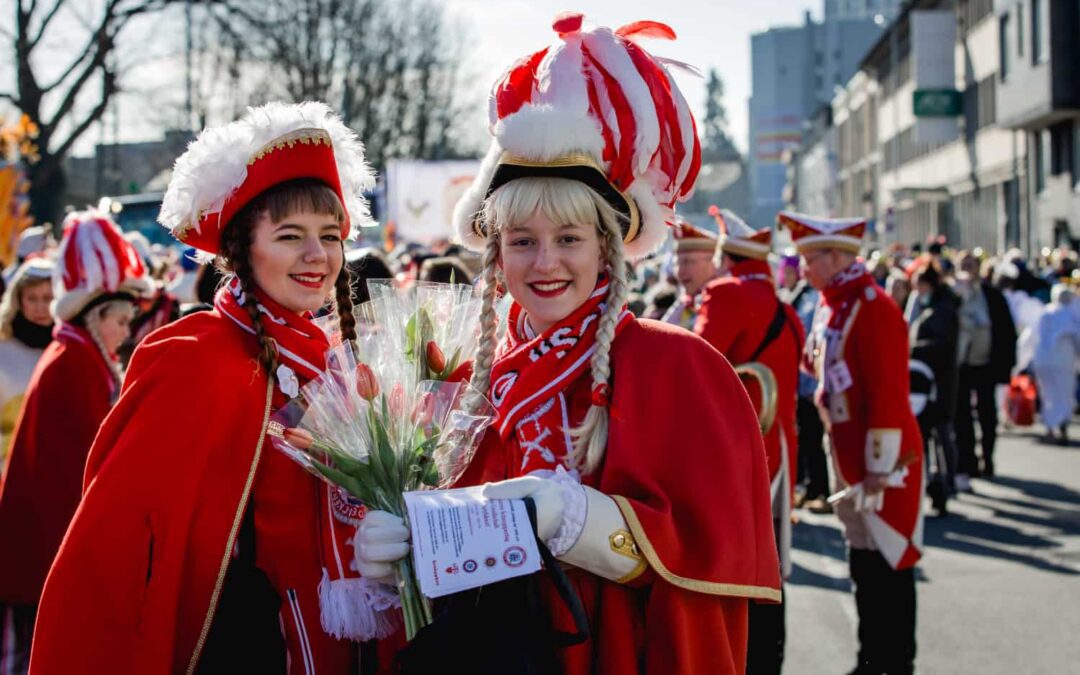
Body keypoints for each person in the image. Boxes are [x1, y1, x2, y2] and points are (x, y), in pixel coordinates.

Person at [356, 13, 781, 673]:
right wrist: (402, 548)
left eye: (569, 238)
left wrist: (575, 516)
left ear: (608, 248)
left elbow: (708, 556)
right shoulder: (467, 374)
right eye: (522, 240)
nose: (545, 261)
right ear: (495, 252)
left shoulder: (680, 366)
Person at [30, 102, 381, 673]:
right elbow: (118, 546)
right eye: (290, 236)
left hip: (341, 641)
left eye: (329, 235)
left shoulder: (335, 360)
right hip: (254, 647)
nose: (317, 255)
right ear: (243, 250)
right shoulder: (194, 357)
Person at [0, 213, 149, 674]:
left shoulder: (77, 352)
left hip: (40, 539)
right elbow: (94, 460)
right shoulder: (74, 362)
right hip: (42, 545)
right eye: (120, 321)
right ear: (95, 314)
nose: (126, 332)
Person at [781, 211, 924, 675]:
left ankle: (896, 661)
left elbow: (887, 393)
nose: (802, 269)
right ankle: (871, 658)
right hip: (846, 452)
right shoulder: (834, 304)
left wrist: (879, 467)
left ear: (837, 257)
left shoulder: (873, 306)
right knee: (863, 562)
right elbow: (816, 366)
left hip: (882, 459)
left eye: (809, 259)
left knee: (890, 562)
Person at [694, 207, 804, 674]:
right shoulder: (786, 308)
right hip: (777, 445)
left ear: (725, 256)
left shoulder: (723, 296)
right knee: (770, 563)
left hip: (732, 452)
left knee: (732, 564)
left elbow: (692, 369)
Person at [953, 253, 1017, 480]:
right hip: (960, 366)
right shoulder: (953, 295)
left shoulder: (992, 296)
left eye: (971, 266)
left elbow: (1007, 331)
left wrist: (1006, 365)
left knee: (987, 413)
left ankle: (987, 456)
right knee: (962, 416)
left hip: (986, 364)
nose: (967, 270)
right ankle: (968, 460)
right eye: (963, 266)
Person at [908, 261, 959, 512]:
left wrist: (911, 349)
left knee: (939, 436)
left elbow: (939, 346)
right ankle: (936, 482)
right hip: (928, 382)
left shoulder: (942, 311)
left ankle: (943, 482)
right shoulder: (937, 309)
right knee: (933, 435)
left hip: (937, 384)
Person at [0, 258, 53, 458]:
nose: (40, 307)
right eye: (32, 298)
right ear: (19, 301)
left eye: (47, 298)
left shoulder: (69, 348)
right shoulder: (3, 348)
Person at [1031, 285, 1080, 445]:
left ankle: (1052, 425)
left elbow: (1030, 338)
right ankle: (1059, 424)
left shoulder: (1045, 312)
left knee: (1049, 393)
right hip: (1062, 360)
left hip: (1044, 360)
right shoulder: (1071, 314)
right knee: (1062, 393)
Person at [660, 217, 717, 329]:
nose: (680, 272)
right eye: (677, 264)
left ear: (713, 263)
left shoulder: (723, 304)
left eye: (689, 262)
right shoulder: (684, 304)